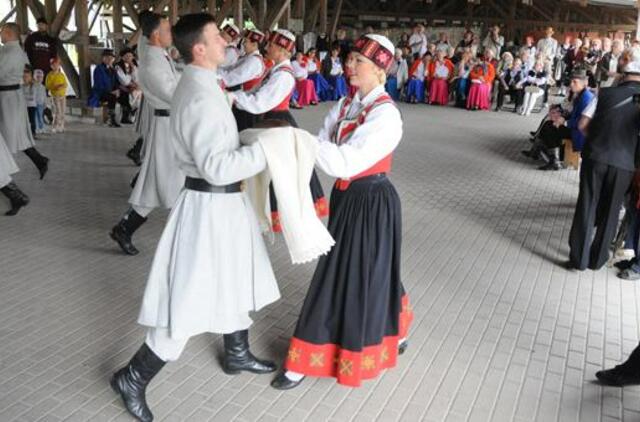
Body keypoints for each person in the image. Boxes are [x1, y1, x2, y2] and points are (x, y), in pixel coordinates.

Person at [110, 14, 280, 422]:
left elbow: (218, 148)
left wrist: (247, 140)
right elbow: (218, 167)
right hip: (208, 208)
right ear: (199, 49)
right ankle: (133, 377)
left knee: (235, 276)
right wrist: (267, 149)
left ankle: (236, 352)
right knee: (188, 297)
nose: (226, 42)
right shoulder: (201, 95)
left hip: (221, 207)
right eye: (217, 38)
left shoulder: (201, 83)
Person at [270, 33, 413, 391]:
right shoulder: (347, 104)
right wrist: (305, 144)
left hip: (372, 201)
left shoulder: (386, 117)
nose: (349, 66)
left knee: (344, 273)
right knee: (369, 269)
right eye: (349, 60)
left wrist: (300, 142)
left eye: (358, 62)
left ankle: (303, 359)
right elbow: (323, 141)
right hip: (348, 199)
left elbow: (343, 161)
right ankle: (393, 329)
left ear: (380, 71)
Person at [230, 29, 328, 232]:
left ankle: (277, 215)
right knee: (274, 170)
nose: (267, 48)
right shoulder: (275, 70)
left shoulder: (283, 76)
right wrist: (237, 96)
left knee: (278, 172)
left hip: (277, 122)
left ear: (283, 51)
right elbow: (254, 93)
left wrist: (233, 98)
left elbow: (260, 102)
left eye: (272, 46)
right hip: (270, 121)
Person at [110, 13, 183, 256]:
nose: (171, 32)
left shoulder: (157, 52)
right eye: (166, 28)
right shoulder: (153, 62)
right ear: (155, 35)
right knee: (174, 183)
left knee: (156, 184)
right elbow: (174, 92)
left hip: (169, 124)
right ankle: (183, 241)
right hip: (167, 126)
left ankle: (124, 229)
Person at [565, 50, 640, 271]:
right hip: (625, 163)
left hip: (595, 156)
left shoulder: (605, 93)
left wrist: (598, 139)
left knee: (587, 204)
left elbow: (582, 124)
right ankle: (598, 260)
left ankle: (579, 259)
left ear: (624, 75)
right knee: (611, 209)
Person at [0, 23, 49, 180]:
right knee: (16, 134)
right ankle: (40, 160)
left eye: (2, 32)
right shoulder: (10, 50)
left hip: (8, 97)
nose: (0, 35)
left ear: (8, 33)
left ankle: (5, 179)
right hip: (9, 96)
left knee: (9, 136)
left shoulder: (12, 52)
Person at [218, 28, 267, 131]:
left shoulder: (254, 61)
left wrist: (215, 77)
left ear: (255, 45)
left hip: (245, 104)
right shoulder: (248, 57)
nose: (243, 44)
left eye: (246, 42)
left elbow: (233, 78)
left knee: (241, 131)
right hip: (240, 99)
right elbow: (229, 70)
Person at [88, 49, 124, 127]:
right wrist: (111, 92)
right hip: (100, 92)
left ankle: (125, 116)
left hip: (111, 91)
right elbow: (99, 84)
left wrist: (117, 90)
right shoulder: (99, 69)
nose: (110, 59)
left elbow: (116, 82)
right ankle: (111, 119)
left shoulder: (113, 69)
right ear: (103, 58)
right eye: (107, 57)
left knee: (123, 94)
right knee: (112, 97)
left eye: (111, 58)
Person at [114, 48, 139, 125]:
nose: (129, 58)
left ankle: (133, 111)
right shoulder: (118, 66)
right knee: (129, 94)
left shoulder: (134, 65)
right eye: (127, 56)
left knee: (139, 93)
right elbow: (123, 80)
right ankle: (128, 114)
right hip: (121, 86)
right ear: (122, 57)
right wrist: (132, 85)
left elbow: (137, 78)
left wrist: (133, 68)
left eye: (131, 56)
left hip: (133, 86)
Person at [45, 57, 67, 133]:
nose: (55, 66)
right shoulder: (49, 75)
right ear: (51, 66)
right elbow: (47, 85)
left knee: (63, 111)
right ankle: (55, 126)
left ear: (59, 65)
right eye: (53, 65)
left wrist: (62, 86)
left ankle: (62, 126)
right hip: (55, 96)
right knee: (58, 111)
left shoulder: (61, 75)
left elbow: (65, 84)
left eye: (57, 64)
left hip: (62, 96)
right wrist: (55, 87)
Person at [23, 68, 38, 137]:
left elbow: (32, 97)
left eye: (26, 77)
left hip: (31, 106)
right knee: (25, 120)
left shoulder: (33, 86)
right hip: (24, 106)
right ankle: (25, 133)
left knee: (32, 120)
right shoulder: (22, 86)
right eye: (23, 77)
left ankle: (33, 132)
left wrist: (24, 97)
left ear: (30, 77)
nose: (25, 78)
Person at [32, 69, 47, 134]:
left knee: (40, 116)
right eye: (37, 77)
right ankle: (36, 128)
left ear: (42, 78)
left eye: (40, 77)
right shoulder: (33, 86)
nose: (39, 78)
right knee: (35, 117)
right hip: (34, 104)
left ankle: (42, 127)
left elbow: (44, 95)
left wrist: (45, 103)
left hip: (40, 104)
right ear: (34, 77)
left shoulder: (43, 87)